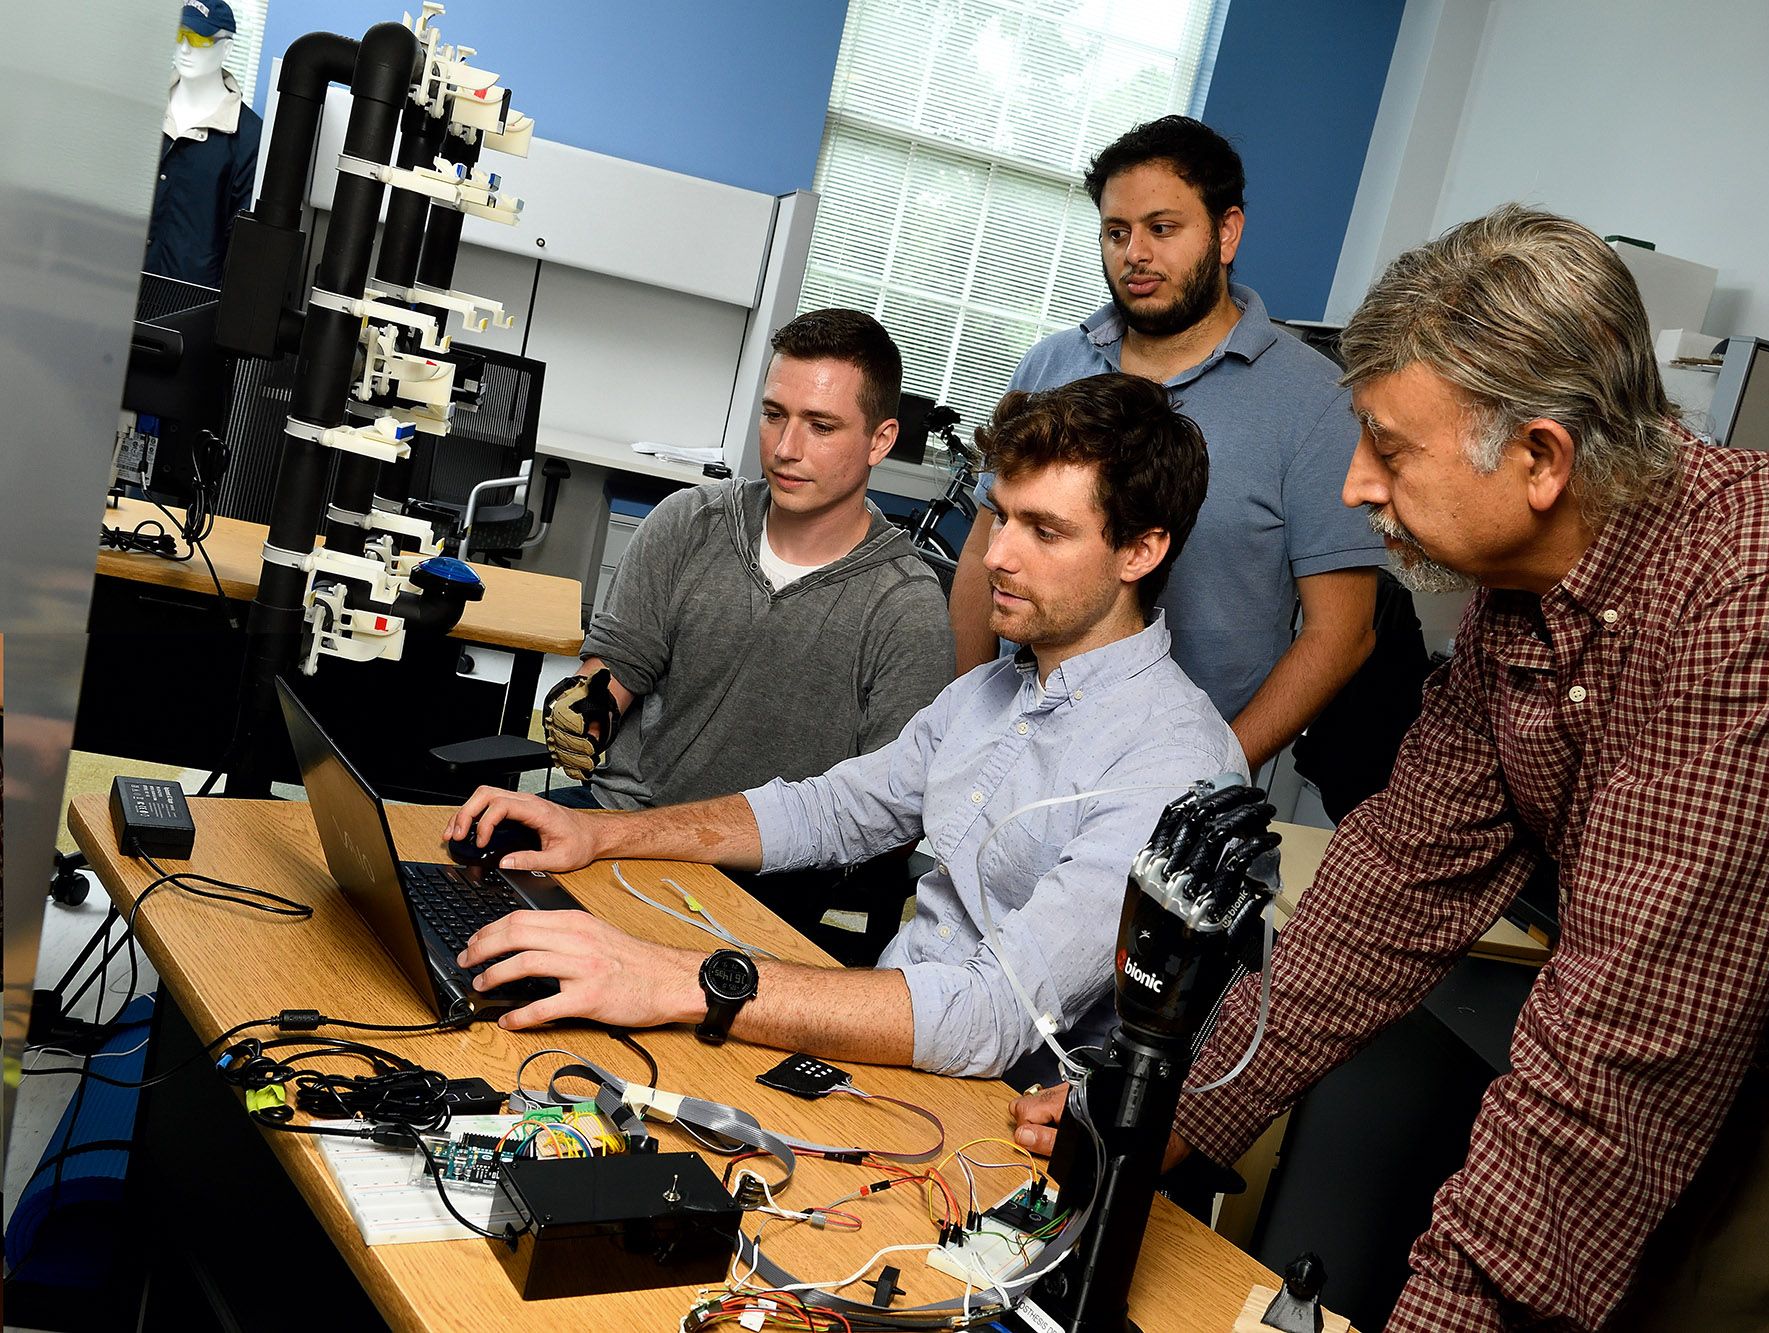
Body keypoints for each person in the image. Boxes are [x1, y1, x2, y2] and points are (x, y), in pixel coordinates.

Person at [1013, 206, 1769, 1331]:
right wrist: (1163, 1110)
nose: (1353, 486)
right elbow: (1389, 888)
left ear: (1538, 458)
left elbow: (1620, 1056)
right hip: (1668, 1069)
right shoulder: (1524, 592)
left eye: (1388, 446)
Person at [451, 373, 1245, 1084]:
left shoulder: (1173, 766)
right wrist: (601, 834)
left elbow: (989, 1016)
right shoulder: (995, 691)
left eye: (1044, 531)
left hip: (983, 1116)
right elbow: (827, 809)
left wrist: (673, 978)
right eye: (999, 516)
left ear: (1141, 550)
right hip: (886, 1060)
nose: (997, 555)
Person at [946, 116, 1383, 771]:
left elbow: (1341, 634)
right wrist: (966, 723)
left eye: (1162, 228)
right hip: (1016, 756)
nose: (1135, 255)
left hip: (1180, 783)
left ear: (1226, 231)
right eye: (1116, 232)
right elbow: (985, 550)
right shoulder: (1050, 367)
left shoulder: (1319, 403)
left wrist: (1208, 779)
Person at [538, 308, 954, 959]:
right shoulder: (687, 523)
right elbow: (615, 668)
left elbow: (890, 816)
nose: (786, 448)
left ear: (880, 439)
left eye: (821, 426)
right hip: (621, 829)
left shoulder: (906, 608)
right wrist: (585, 707)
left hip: (769, 886)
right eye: (773, 414)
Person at [148, 2, 263, 286]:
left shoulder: (248, 136)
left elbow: (242, 244)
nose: (185, 49)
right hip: (113, 289)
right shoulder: (143, 106)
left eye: (199, 38)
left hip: (185, 308)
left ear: (226, 49)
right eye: (180, 34)